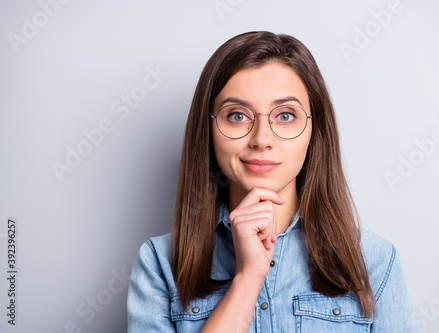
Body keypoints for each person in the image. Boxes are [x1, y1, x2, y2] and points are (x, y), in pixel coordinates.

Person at [127, 31, 417, 333]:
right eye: (237, 115)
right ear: (209, 129)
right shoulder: (160, 264)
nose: (261, 139)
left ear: (313, 130)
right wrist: (248, 277)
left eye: (286, 116)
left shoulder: (374, 261)